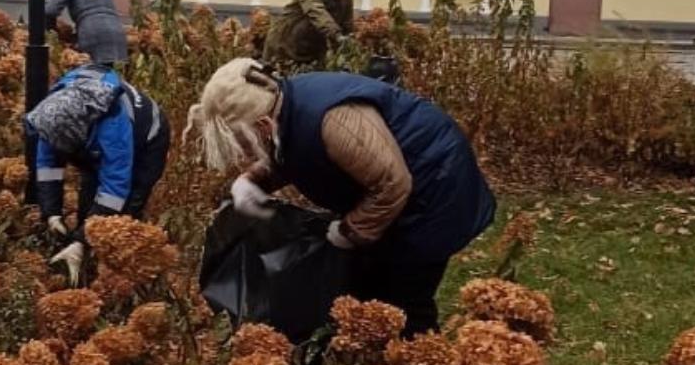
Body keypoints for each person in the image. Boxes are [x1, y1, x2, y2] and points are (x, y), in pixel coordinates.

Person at [185, 58, 496, 336]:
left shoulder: (333, 121)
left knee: (404, 297)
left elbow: (392, 184)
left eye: (244, 140)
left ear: (264, 125)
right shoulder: (285, 106)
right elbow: (294, 151)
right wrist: (254, 180)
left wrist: (349, 232)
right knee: (367, 284)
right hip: (398, 187)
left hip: (437, 189)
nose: (243, 151)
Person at [27, 64, 169, 282]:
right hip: (92, 141)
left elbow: (114, 189)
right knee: (89, 201)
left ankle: (119, 277)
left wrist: (82, 240)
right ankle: (83, 267)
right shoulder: (54, 116)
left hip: (147, 142)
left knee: (124, 211)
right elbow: (47, 165)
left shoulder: (113, 131)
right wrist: (51, 212)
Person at [263, 0, 356, 69]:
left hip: (312, 52)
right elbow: (315, 10)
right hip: (284, 46)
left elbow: (347, 25)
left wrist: (348, 45)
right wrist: (336, 34)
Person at [45, 0, 128, 66]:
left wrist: (52, 31)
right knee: (109, 76)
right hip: (117, 34)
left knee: (90, 75)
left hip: (94, 34)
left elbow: (50, 10)